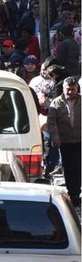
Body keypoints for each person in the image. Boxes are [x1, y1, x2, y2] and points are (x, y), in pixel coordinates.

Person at [47, 77, 81, 207]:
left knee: (77, 166)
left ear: (77, 89)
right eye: (68, 89)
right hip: (64, 141)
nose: (71, 92)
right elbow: (51, 123)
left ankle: (75, 193)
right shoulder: (56, 103)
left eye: (73, 89)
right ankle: (71, 190)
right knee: (68, 167)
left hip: (79, 140)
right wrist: (55, 138)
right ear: (63, 89)